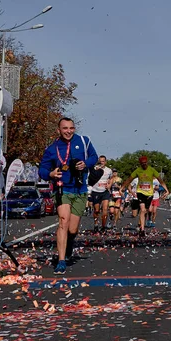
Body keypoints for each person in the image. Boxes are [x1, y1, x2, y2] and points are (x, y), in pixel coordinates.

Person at [39, 117, 98, 274]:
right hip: (62, 189)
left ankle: (69, 243)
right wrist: (50, 173)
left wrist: (86, 163)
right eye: (65, 128)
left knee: (72, 229)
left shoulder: (83, 141)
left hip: (79, 190)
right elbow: (42, 170)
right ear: (59, 130)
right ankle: (61, 260)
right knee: (63, 222)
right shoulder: (52, 149)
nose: (68, 131)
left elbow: (94, 157)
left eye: (71, 128)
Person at [121, 156, 168, 237]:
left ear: (147, 162)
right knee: (142, 210)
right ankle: (142, 229)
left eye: (145, 163)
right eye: (142, 163)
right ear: (140, 164)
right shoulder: (138, 170)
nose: (144, 165)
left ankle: (144, 223)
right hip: (140, 192)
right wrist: (122, 188)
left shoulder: (152, 170)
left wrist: (166, 190)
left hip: (149, 193)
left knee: (146, 210)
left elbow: (160, 180)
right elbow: (129, 179)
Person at [90, 155, 113, 233]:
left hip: (105, 192)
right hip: (96, 191)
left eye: (103, 161)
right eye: (100, 161)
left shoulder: (109, 170)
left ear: (105, 162)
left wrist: (109, 184)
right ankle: (96, 224)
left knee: (105, 209)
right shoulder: (95, 169)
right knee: (96, 210)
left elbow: (111, 178)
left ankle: (103, 227)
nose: (102, 163)